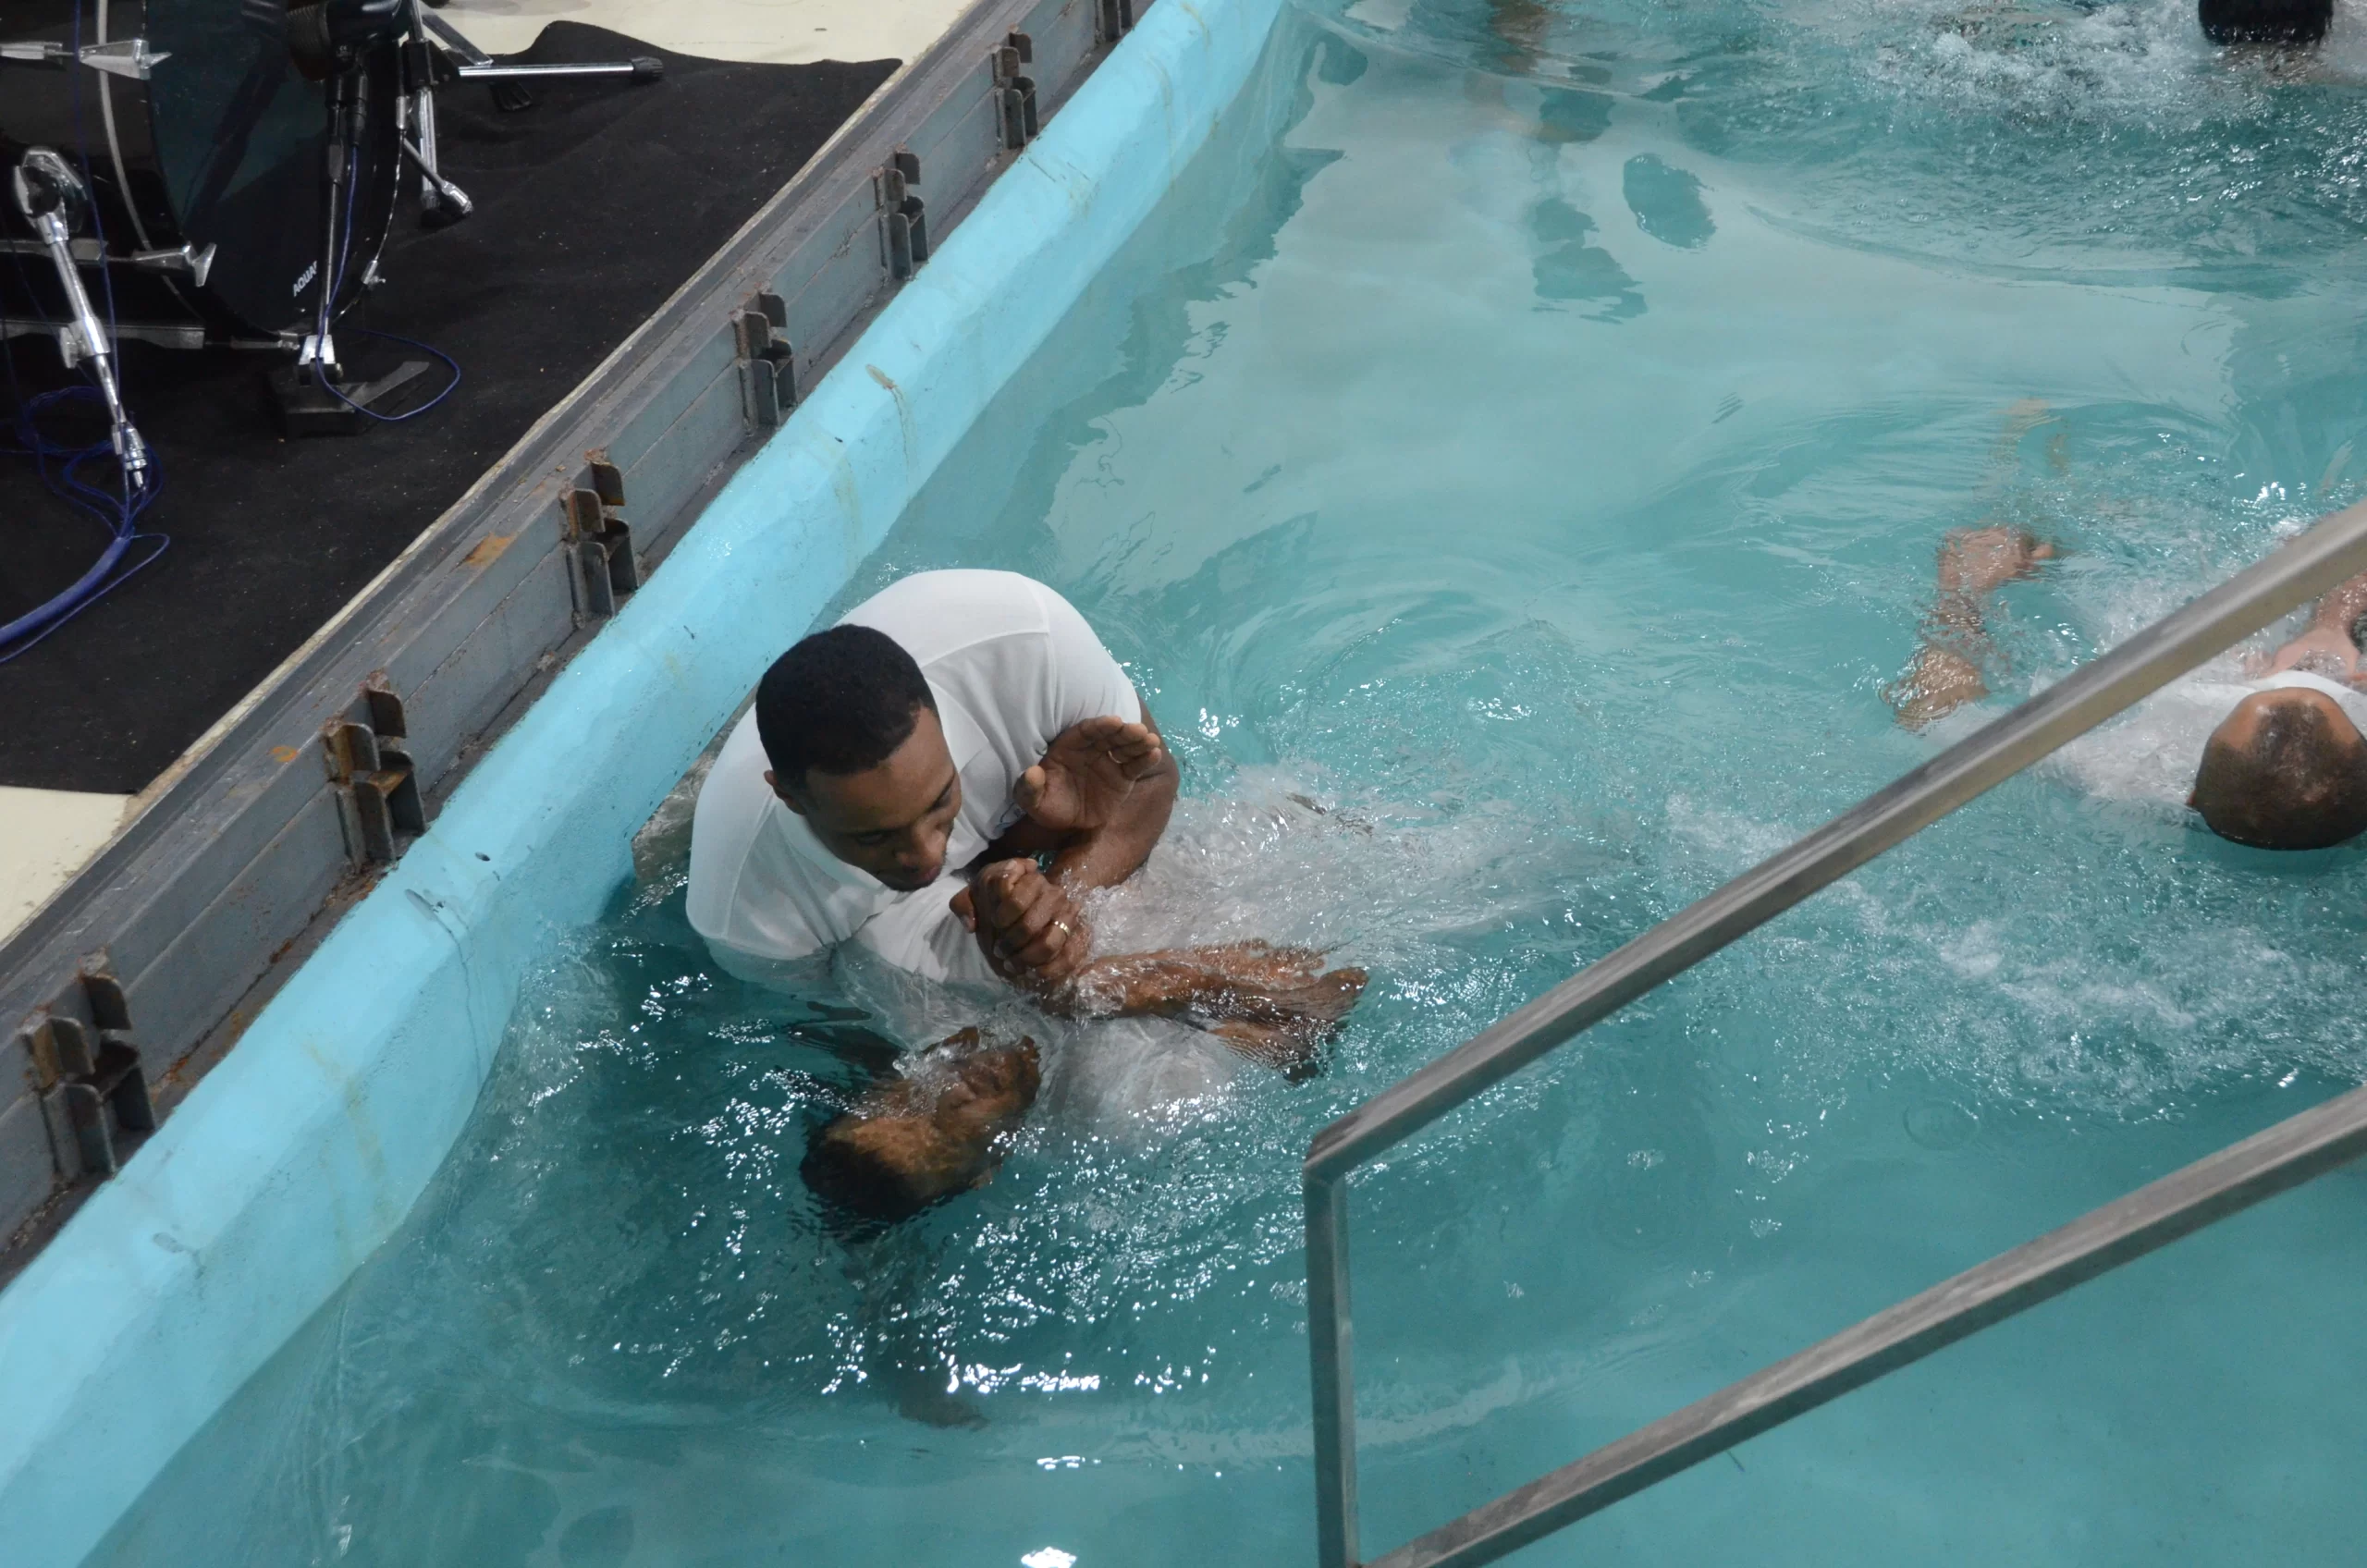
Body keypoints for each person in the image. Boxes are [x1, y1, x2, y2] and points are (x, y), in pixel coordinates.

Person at [687, 570, 1366, 1219]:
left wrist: (1052, 877)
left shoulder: (1025, 646)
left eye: (941, 801)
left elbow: (1155, 779)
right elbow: (1323, 990)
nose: (924, 856)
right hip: (894, 926)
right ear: (787, 796)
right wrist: (1067, 940)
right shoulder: (751, 910)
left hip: (1118, 841)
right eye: (876, 837)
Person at [1885, 519, 2367, 851]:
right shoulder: (2347, 690)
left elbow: (1933, 714)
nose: (2258, 675)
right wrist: (2331, 624)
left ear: (2186, 797)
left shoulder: (2129, 772)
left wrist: (1962, 591)